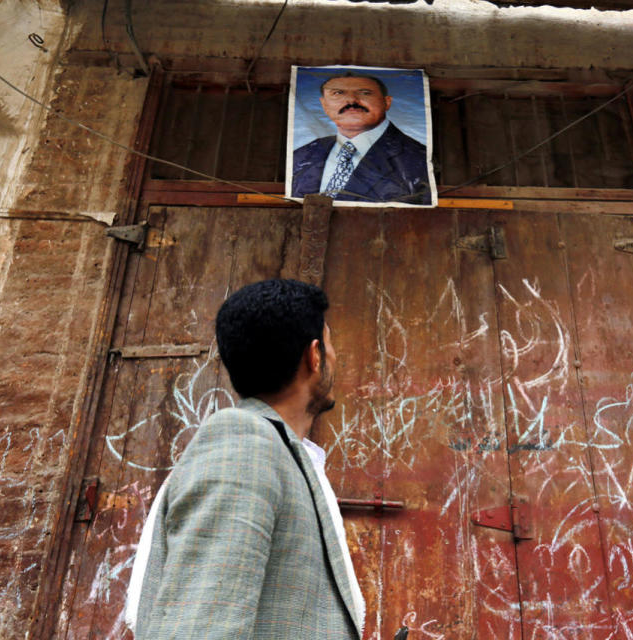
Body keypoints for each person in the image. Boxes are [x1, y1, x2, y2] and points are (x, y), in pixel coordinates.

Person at [130, 279, 365, 639]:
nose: (334, 356)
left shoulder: (279, 451)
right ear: (314, 356)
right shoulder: (243, 442)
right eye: (330, 345)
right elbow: (198, 628)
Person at [291, 71, 433, 205]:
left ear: (387, 102)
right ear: (324, 104)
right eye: (338, 93)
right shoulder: (303, 154)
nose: (352, 100)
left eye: (365, 93)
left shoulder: (418, 159)